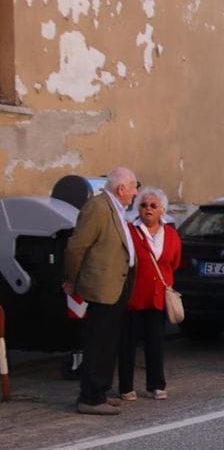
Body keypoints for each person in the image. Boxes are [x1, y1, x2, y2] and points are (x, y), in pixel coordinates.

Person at [63, 167, 139, 416]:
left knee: (108, 342)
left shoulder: (116, 208)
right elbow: (77, 246)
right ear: (121, 189)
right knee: (98, 342)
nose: (136, 192)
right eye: (134, 187)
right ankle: (91, 397)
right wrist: (72, 279)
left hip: (117, 285)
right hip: (102, 285)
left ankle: (100, 391)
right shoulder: (97, 207)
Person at [118, 187, 182, 400]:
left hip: (158, 297)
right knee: (128, 343)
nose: (148, 209)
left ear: (161, 210)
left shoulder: (171, 234)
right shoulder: (130, 230)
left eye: (153, 206)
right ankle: (126, 386)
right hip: (134, 296)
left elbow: (174, 263)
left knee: (155, 343)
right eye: (144, 205)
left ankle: (156, 384)